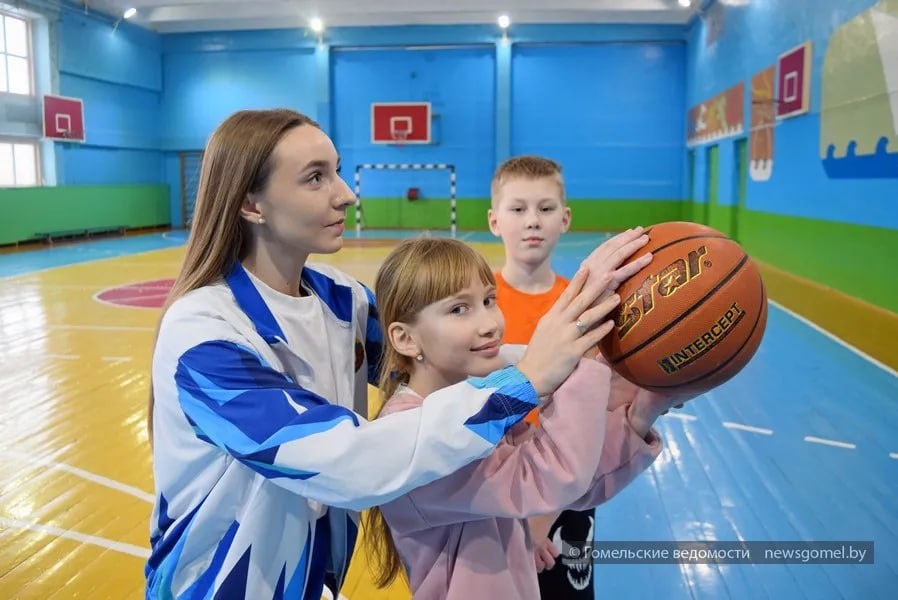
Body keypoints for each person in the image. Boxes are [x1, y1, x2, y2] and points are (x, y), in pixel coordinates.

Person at [144, 109, 639, 599]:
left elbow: (446, 349)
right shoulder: (204, 337)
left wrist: (590, 355)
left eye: (337, 171)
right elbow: (343, 461)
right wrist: (528, 377)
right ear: (252, 204)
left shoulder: (343, 301)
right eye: (316, 178)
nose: (346, 193)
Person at [363, 237, 683, 599]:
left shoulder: (475, 403)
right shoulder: (411, 436)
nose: (489, 324)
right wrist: (583, 355)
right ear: (406, 339)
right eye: (459, 309)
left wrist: (641, 411)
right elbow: (552, 477)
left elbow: (577, 484)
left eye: (488, 300)